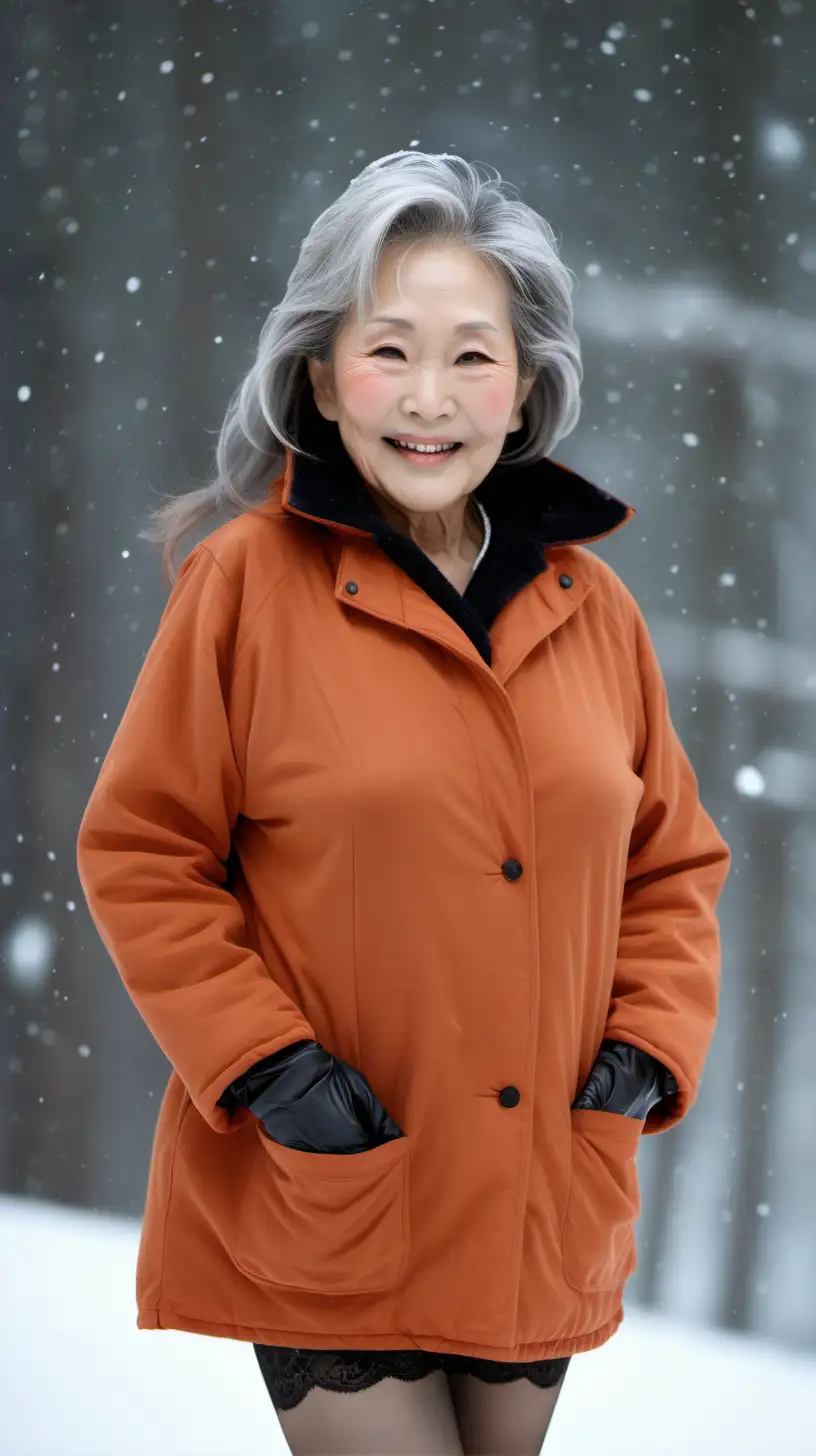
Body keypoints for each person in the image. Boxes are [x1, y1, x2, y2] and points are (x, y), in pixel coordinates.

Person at [76, 151, 732, 1456]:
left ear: (527, 385)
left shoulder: (592, 610)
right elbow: (143, 850)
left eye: (473, 357)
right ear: (321, 377)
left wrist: (643, 1056)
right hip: (343, 1182)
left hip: (544, 1188)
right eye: (390, 350)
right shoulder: (249, 587)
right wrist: (268, 1068)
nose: (429, 399)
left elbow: (673, 867)